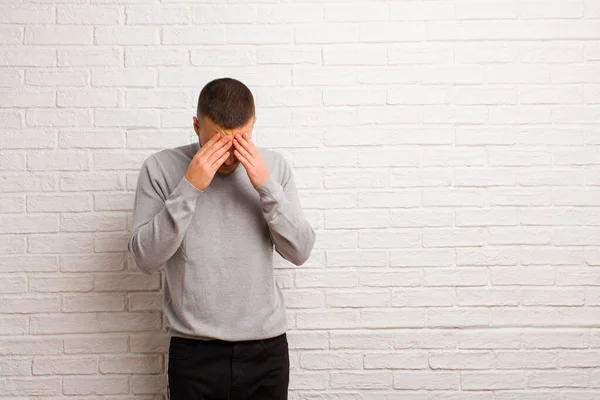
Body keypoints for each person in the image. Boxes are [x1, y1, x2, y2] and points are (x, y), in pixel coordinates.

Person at [127, 77, 316, 399]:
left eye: (240, 140)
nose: (229, 157)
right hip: (194, 351)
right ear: (196, 125)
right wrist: (190, 186)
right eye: (216, 143)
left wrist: (266, 186)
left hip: (266, 351)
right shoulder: (160, 167)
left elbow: (300, 251)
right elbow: (145, 258)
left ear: (253, 125)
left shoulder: (274, 166)